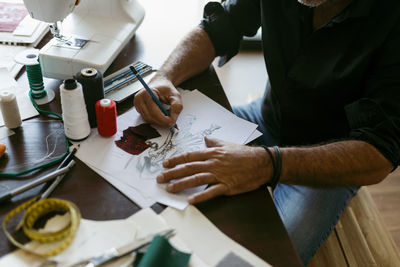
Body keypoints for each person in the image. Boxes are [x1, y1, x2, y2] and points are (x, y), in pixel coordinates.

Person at [133, 0, 400, 264]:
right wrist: (164, 76)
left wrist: (267, 163)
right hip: (266, 118)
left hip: (332, 156)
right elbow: (219, 27)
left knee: (261, 258)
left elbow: (380, 151)